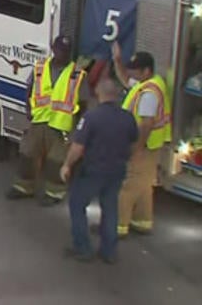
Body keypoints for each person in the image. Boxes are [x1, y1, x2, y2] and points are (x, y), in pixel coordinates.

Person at [60, 78, 139, 263]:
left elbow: (78, 147)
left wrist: (67, 165)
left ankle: (83, 248)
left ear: (98, 94)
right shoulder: (128, 117)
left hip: (93, 171)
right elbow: (134, 142)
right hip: (117, 170)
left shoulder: (91, 117)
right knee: (110, 208)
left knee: (77, 204)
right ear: (117, 96)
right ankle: (109, 252)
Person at [6, 35, 87, 205]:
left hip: (61, 127)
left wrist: (77, 129)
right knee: (27, 153)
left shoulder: (77, 74)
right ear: (53, 48)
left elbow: (84, 103)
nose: (62, 54)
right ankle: (23, 187)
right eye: (59, 50)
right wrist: (28, 109)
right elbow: (29, 89)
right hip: (38, 121)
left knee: (56, 161)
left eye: (65, 51)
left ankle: (54, 193)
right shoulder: (40, 68)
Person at [111, 43, 172, 237]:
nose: (132, 73)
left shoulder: (148, 94)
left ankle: (117, 226)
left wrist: (135, 148)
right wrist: (117, 60)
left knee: (127, 185)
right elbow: (125, 79)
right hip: (152, 147)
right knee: (144, 185)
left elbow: (146, 124)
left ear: (146, 70)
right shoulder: (149, 83)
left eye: (135, 70)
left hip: (143, 146)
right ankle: (142, 221)